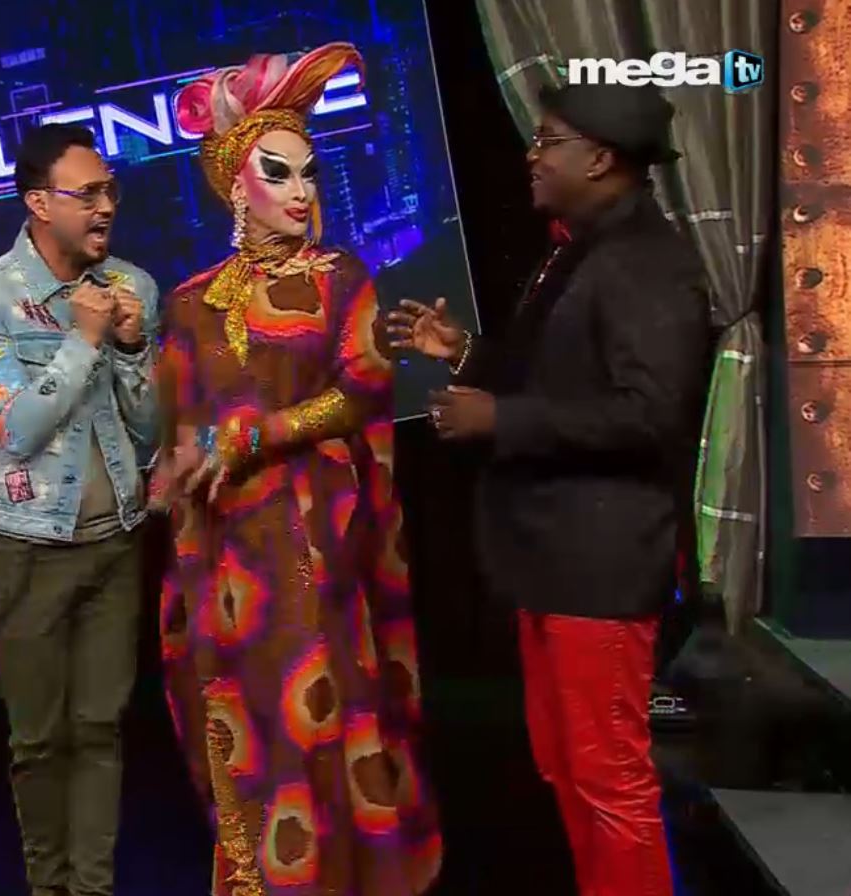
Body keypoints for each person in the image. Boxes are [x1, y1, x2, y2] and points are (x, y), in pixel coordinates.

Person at [388, 83, 712, 896]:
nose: (531, 157)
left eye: (547, 142)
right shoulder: (580, 250)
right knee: (567, 769)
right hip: (556, 565)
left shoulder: (647, 262)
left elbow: (651, 416)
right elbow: (562, 376)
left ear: (599, 158)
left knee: (607, 780)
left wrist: (500, 418)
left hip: (599, 569)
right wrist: (466, 355)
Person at [156, 44, 443, 895]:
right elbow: (180, 430)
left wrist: (257, 435)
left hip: (321, 536)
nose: (300, 191)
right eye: (277, 173)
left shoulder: (340, 278)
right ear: (233, 183)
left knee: (324, 706)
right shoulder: (190, 302)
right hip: (232, 552)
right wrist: (178, 470)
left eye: (308, 174)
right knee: (253, 717)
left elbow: (364, 388)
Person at [0, 123, 160, 896]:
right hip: (27, 545)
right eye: (88, 193)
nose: (107, 207)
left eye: (111, 191)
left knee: (101, 728)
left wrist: (132, 349)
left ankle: (92, 889)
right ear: (39, 203)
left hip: (116, 542)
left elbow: (149, 432)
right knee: (38, 740)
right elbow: (15, 429)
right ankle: (48, 887)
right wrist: (83, 341)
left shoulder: (133, 286)